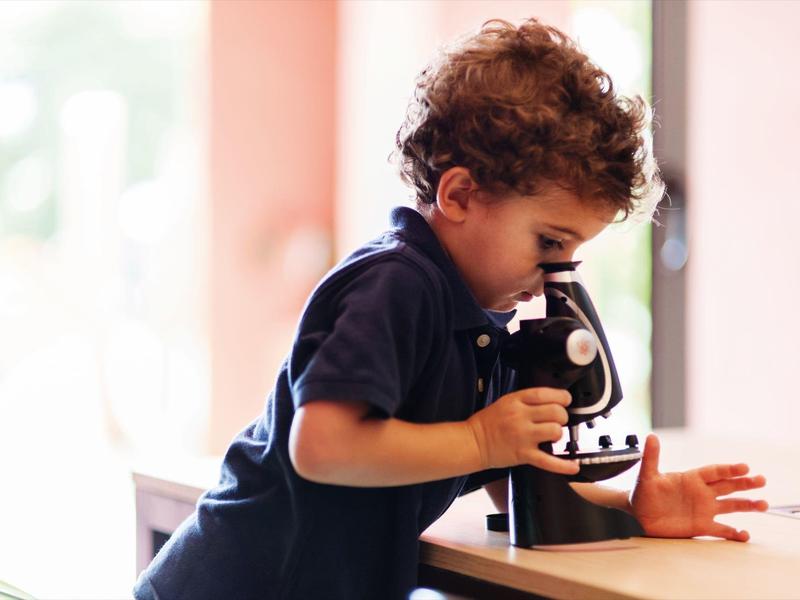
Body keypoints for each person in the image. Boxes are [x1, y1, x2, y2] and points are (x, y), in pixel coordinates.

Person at [134, 17, 767, 600]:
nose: (558, 273)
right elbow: (322, 445)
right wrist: (477, 438)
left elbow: (513, 479)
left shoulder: (482, 319)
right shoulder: (395, 284)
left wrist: (631, 506)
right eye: (549, 242)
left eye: (572, 251)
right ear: (460, 193)